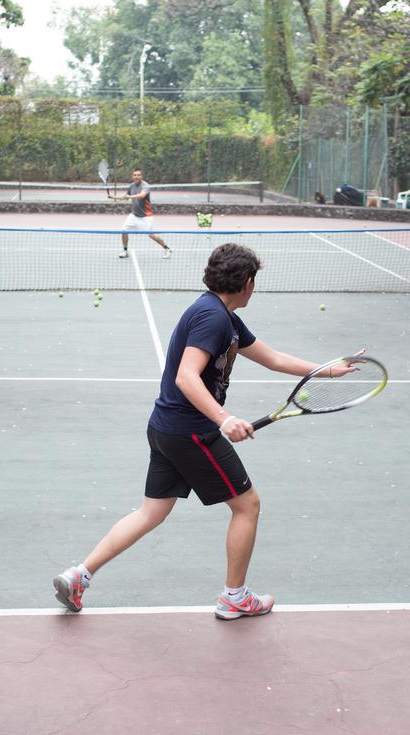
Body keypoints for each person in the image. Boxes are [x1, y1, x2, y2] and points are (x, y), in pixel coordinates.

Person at [53, 243, 356, 619]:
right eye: (254, 282)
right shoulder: (212, 318)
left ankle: (80, 575)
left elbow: (273, 357)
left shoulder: (222, 314)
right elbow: (185, 376)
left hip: (165, 427)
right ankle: (234, 597)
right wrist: (223, 418)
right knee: (248, 506)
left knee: (151, 512)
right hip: (191, 432)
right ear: (247, 282)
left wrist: (328, 369)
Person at [117, 168, 171, 259]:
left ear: (141, 176)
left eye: (138, 175)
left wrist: (129, 197)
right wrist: (117, 198)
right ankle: (125, 251)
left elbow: (141, 195)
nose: (136, 176)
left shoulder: (145, 186)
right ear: (132, 176)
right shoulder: (131, 186)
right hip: (134, 215)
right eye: (135, 175)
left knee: (151, 235)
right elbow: (126, 196)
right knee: (124, 230)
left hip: (146, 217)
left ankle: (167, 249)